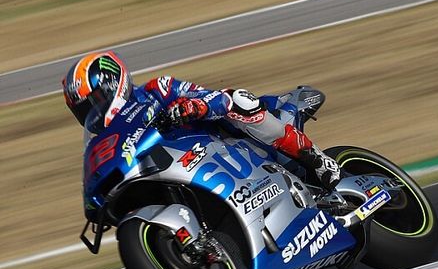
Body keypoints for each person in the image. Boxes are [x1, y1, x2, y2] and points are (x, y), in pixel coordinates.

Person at [61, 50, 340, 188]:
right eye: (83, 110)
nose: (91, 113)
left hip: (223, 141)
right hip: (183, 168)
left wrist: (192, 107)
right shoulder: (113, 138)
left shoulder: (156, 90)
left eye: (93, 102)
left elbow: (212, 97)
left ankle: (313, 156)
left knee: (238, 99)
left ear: (114, 84)